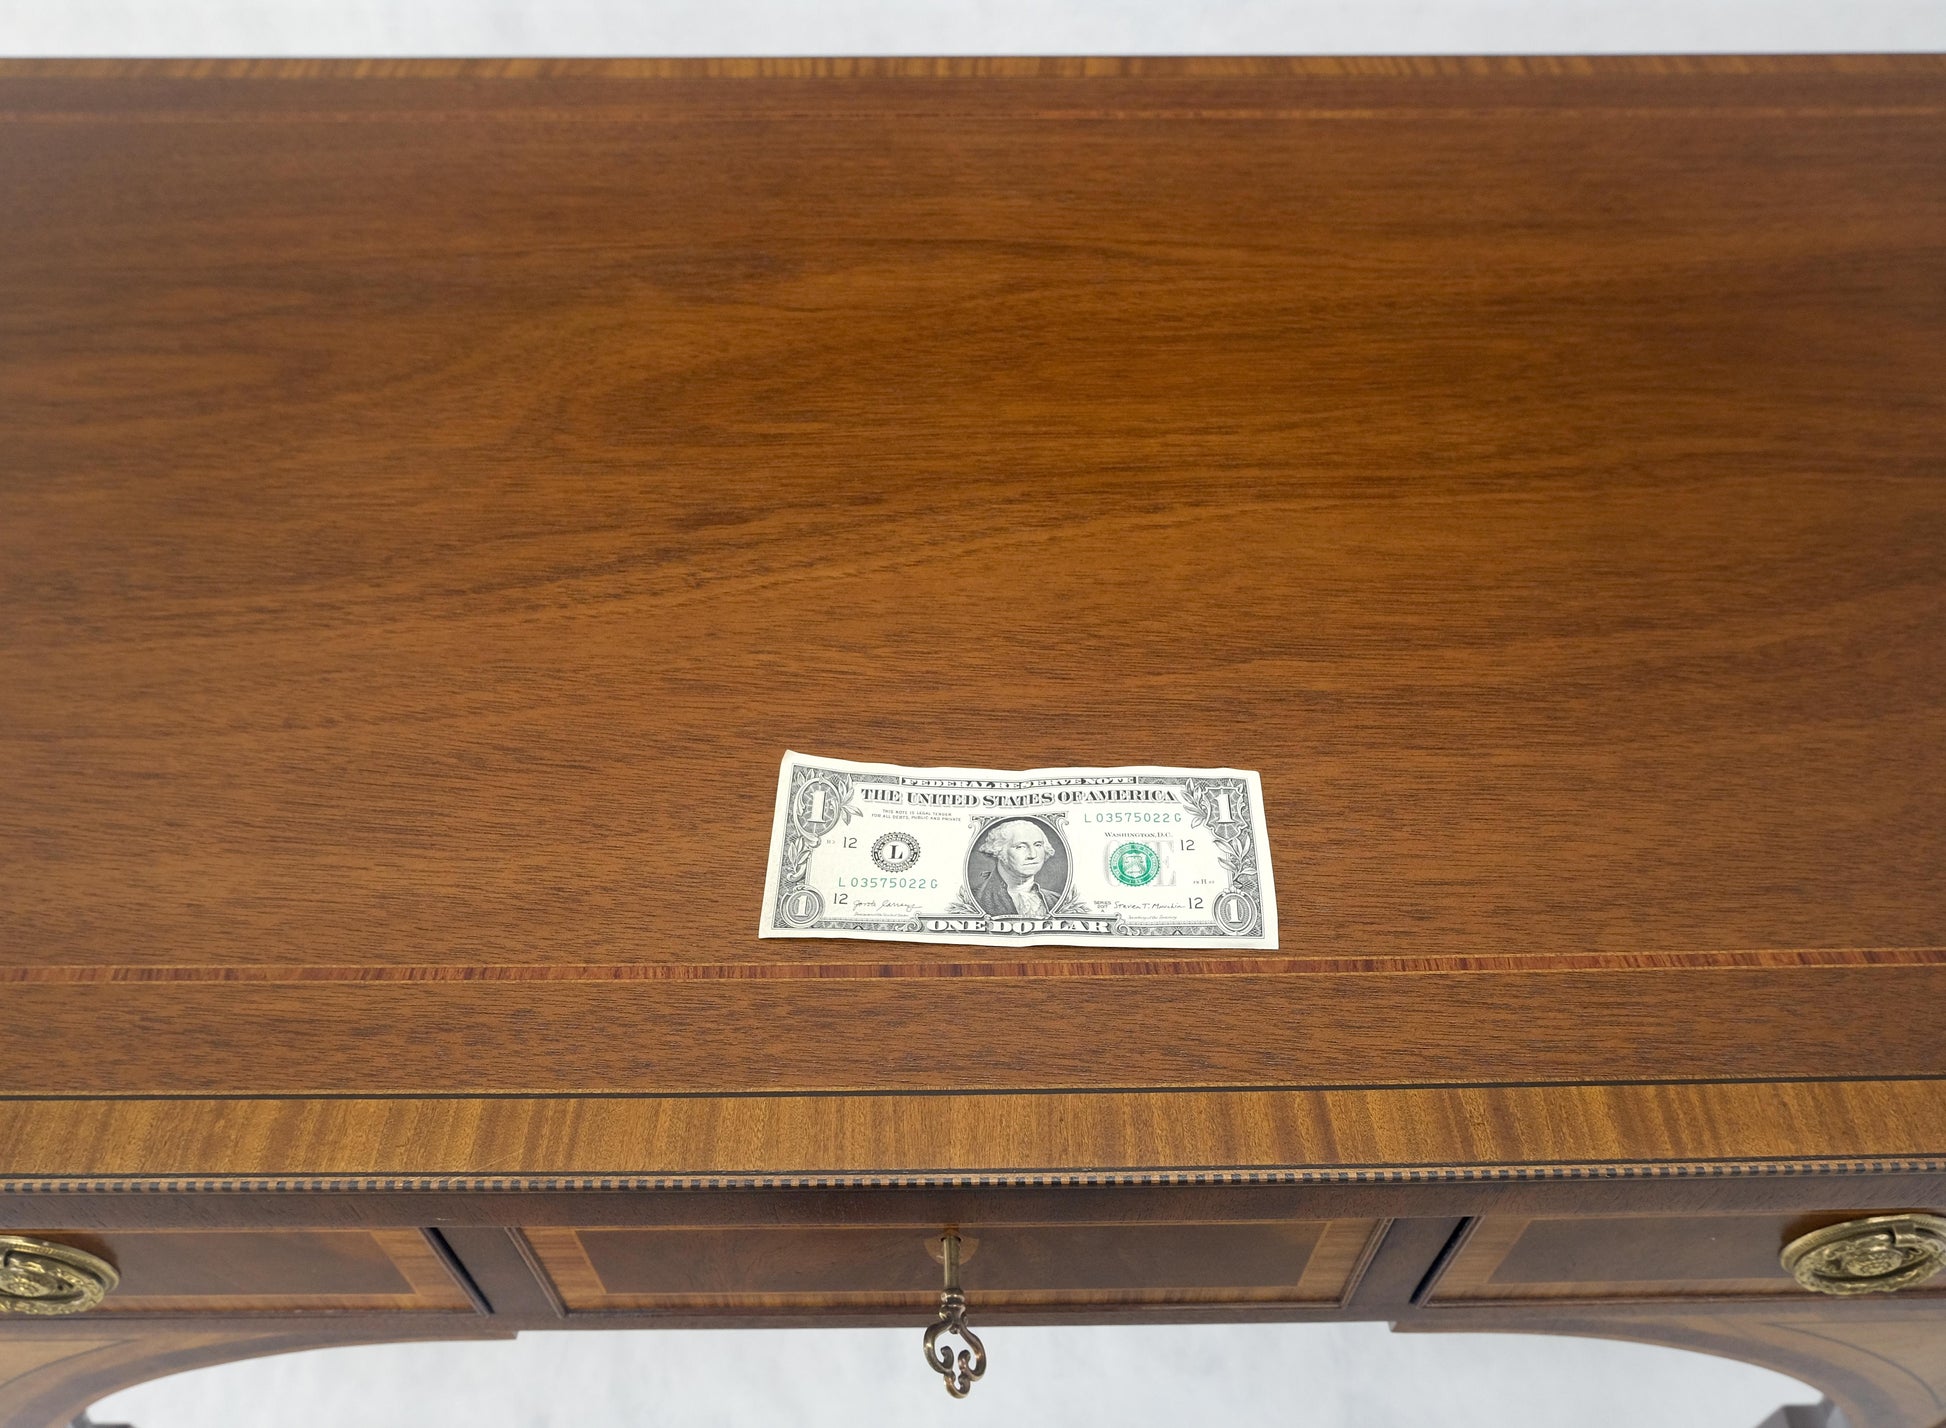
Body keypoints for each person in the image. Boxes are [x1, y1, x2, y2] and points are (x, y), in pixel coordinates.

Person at [972, 819, 1064, 917]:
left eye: (1038, 845)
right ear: (998, 851)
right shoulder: (975, 899)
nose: (1033, 855)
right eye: (1020, 847)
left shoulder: (1057, 900)